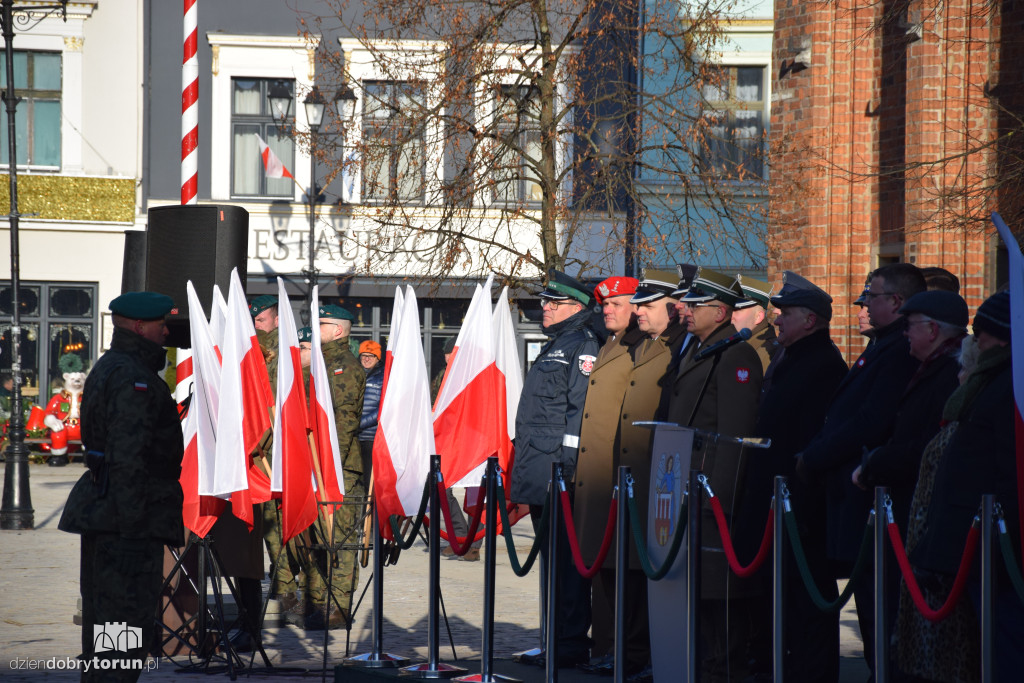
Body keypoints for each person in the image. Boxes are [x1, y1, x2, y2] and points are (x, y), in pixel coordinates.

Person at [797, 262, 926, 677]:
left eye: (872, 295)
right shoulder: (882, 346)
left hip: (875, 502)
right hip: (855, 503)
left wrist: (815, 456)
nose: (865, 304)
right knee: (870, 616)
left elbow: (870, 421)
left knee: (880, 615)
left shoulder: (898, 351)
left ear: (897, 301)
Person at [896, 290, 1021, 683]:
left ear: (1001, 336)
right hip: (971, 543)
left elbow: (1005, 472)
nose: (976, 341)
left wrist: (1001, 541)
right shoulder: (993, 381)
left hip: (995, 546)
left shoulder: (1005, 386)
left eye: (981, 334)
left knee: (1006, 650)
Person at [59, 292, 183, 681]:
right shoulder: (134, 378)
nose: (166, 330)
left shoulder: (114, 366)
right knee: (122, 640)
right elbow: (128, 460)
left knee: (107, 637)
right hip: (125, 523)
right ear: (140, 326)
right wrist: (132, 534)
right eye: (161, 323)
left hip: (109, 515)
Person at [737, 271, 848, 682]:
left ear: (811, 319)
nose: (776, 319)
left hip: (797, 512)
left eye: (785, 312)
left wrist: (796, 506)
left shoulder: (822, 365)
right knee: (775, 606)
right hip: (774, 507)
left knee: (804, 610)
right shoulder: (790, 358)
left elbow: (808, 443)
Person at [665, 267, 763, 682]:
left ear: (721, 312)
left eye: (695, 305)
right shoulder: (699, 348)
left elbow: (735, 436)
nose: (684, 310)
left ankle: (724, 670)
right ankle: (706, 666)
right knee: (697, 593)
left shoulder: (734, 355)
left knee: (717, 595)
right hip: (686, 486)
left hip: (711, 494)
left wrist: (719, 500)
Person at [511, 269, 600, 668]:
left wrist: (565, 470)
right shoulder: (557, 344)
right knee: (552, 563)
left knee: (566, 566)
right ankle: (553, 640)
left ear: (576, 307)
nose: (544, 307)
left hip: (559, 474)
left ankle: (568, 645)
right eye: (545, 301)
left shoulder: (581, 346)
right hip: (541, 469)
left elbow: (577, 415)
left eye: (553, 302)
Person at [573, 274, 642, 673]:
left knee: (622, 572)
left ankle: (620, 649)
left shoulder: (639, 348)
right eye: (604, 304)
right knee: (601, 568)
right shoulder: (610, 344)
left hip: (616, 477)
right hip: (597, 476)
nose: (607, 310)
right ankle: (604, 647)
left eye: (616, 304)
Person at [302, 304, 366, 630]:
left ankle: (338, 608)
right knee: (318, 540)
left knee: (340, 539)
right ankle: (318, 604)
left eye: (322, 324)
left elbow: (344, 421)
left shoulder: (345, 367)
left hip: (338, 468)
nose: (317, 329)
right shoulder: (320, 363)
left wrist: (331, 468)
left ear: (338, 330)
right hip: (315, 466)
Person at [431, 337, 482, 561]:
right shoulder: (442, 376)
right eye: (445, 353)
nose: (447, 357)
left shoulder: (475, 375)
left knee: (476, 490)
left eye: (451, 353)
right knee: (444, 489)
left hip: (473, 440)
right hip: (447, 440)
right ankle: (459, 535)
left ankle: (474, 543)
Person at [732, 274, 778, 372]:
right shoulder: (740, 345)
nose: (731, 316)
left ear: (758, 317)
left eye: (736, 310)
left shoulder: (770, 353)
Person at [357, 339, 383, 481]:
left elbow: (382, 409)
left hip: (371, 436)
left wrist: (359, 423)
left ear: (377, 358)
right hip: (354, 436)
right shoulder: (354, 373)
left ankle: (369, 504)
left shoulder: (383, 376)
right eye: (363, 355)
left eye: (371, 356)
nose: (366, 359)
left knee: (369, 478)